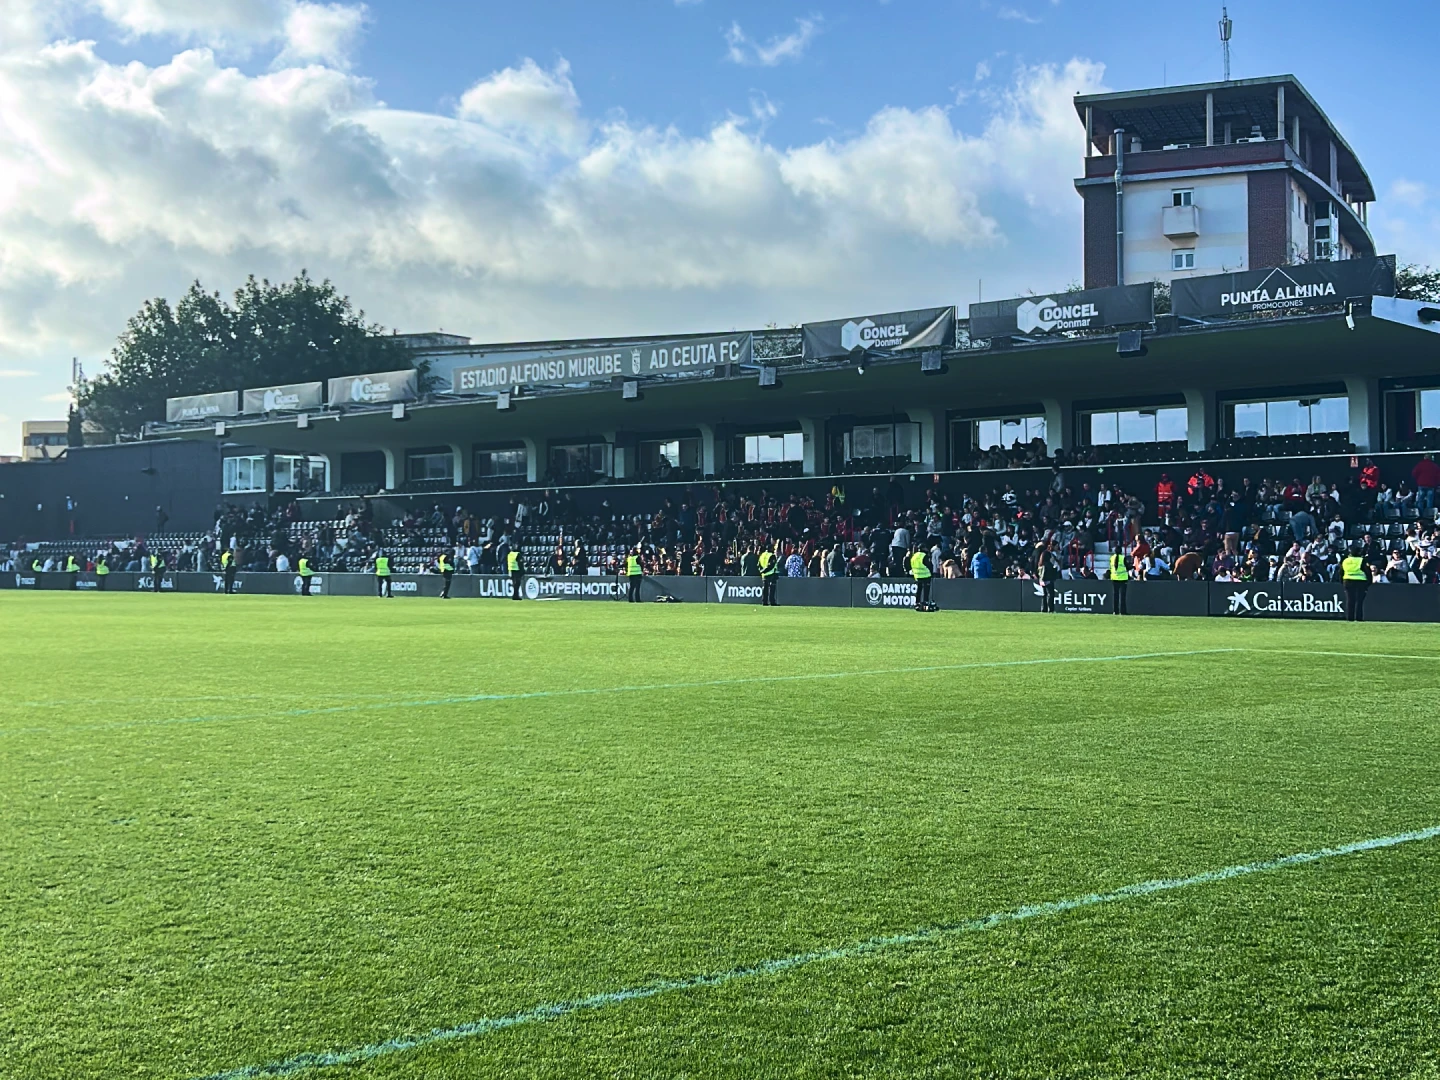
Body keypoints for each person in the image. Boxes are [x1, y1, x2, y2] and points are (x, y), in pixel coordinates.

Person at [1341, 541, 1371, 623]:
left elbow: (1340, 572)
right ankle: (1358, 618)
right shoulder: (1361, 560)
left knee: (1350, 600)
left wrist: (1343, 581)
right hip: (1360, 581)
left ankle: (1349, 618)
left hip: (1347, 581)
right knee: (1359, 601)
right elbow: (1367, 572)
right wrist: (1368, 583)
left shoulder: (1345, 560)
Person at [909, 546, 933, 611]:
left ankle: (917, 603)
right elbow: (928, 564)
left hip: (917, 575)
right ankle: (925, 603)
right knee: (926, 590)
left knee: (918, 590)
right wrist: (931, 572)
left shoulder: (914, 556)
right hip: (926, 575)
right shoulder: (924, 555)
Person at [1108, 547, 1129, 615]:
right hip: (1123, 578)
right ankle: (1122, 611)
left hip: (1114, 578)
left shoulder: (1112, 558)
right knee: (1122, 596)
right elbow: (1127, 567)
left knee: (1115, 595)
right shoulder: (1123, 558)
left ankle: (1115, 611)